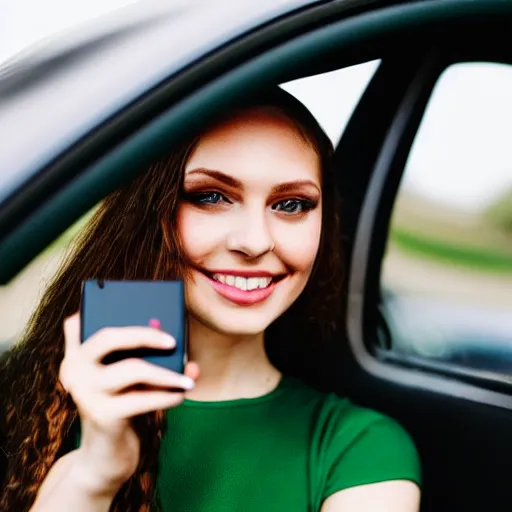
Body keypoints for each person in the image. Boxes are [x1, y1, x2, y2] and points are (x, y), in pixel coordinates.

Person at [0, 87, 421, 511]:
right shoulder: (25, 398)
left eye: (291, 204)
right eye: (211, 197)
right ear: (151, 214)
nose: (255, 242)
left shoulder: (362, 448)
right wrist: (92, 477)